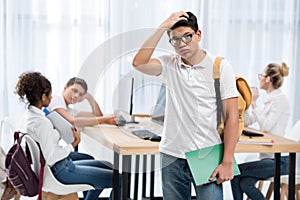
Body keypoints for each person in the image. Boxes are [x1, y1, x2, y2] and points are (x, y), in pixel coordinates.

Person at [132, 11, 239, 199]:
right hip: (171, 154)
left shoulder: (220, 66)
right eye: (175, 40)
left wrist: (227, 161)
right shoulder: (169, 64)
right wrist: (162, 26)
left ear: (198, 35)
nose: (181, 44)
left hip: (207, 152)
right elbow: (138, 63)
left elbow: (232, 117)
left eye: (187, 37)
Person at [15, 72, 118, 200]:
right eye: (49, 95)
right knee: (118, 180)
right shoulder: (41, 123)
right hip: (61, 171)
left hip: (58, 167)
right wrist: (73, 144)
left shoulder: (29, 116)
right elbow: (52, 158)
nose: (52, 98)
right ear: (43, 97)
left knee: (106, 165)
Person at [231, 62, 290, 200]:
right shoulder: (269, 100)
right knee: (245, 183)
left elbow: (267, 126)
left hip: (280, 160)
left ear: (268, 79)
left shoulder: (280, 99)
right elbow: (248, 121)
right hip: (268, 158)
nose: (259, 79)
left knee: (235, 174)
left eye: (261, 75)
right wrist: (246, 101)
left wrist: (254, 103)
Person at [48, 77, 116, 127]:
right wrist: (103, 120)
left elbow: (97, 115)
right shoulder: (57, 99)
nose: (76, 96)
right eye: (74, 91)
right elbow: (72, 121)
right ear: (65, 87)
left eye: (80, 94)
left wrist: (89, 97)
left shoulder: (68, 110)